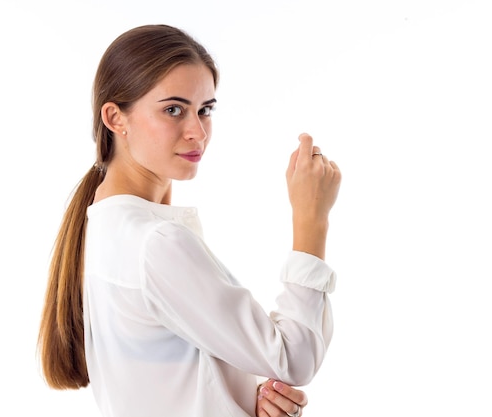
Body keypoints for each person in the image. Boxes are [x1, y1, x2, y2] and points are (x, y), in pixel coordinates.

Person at [38, 24, 341, 417]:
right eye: (173, 109)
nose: (197, 131)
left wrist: (245, 401)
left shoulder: (105, 225)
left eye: (205, 110)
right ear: (116, 117)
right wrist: (311, 217)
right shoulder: (155, 242)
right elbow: (294, 358)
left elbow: (171, 384)